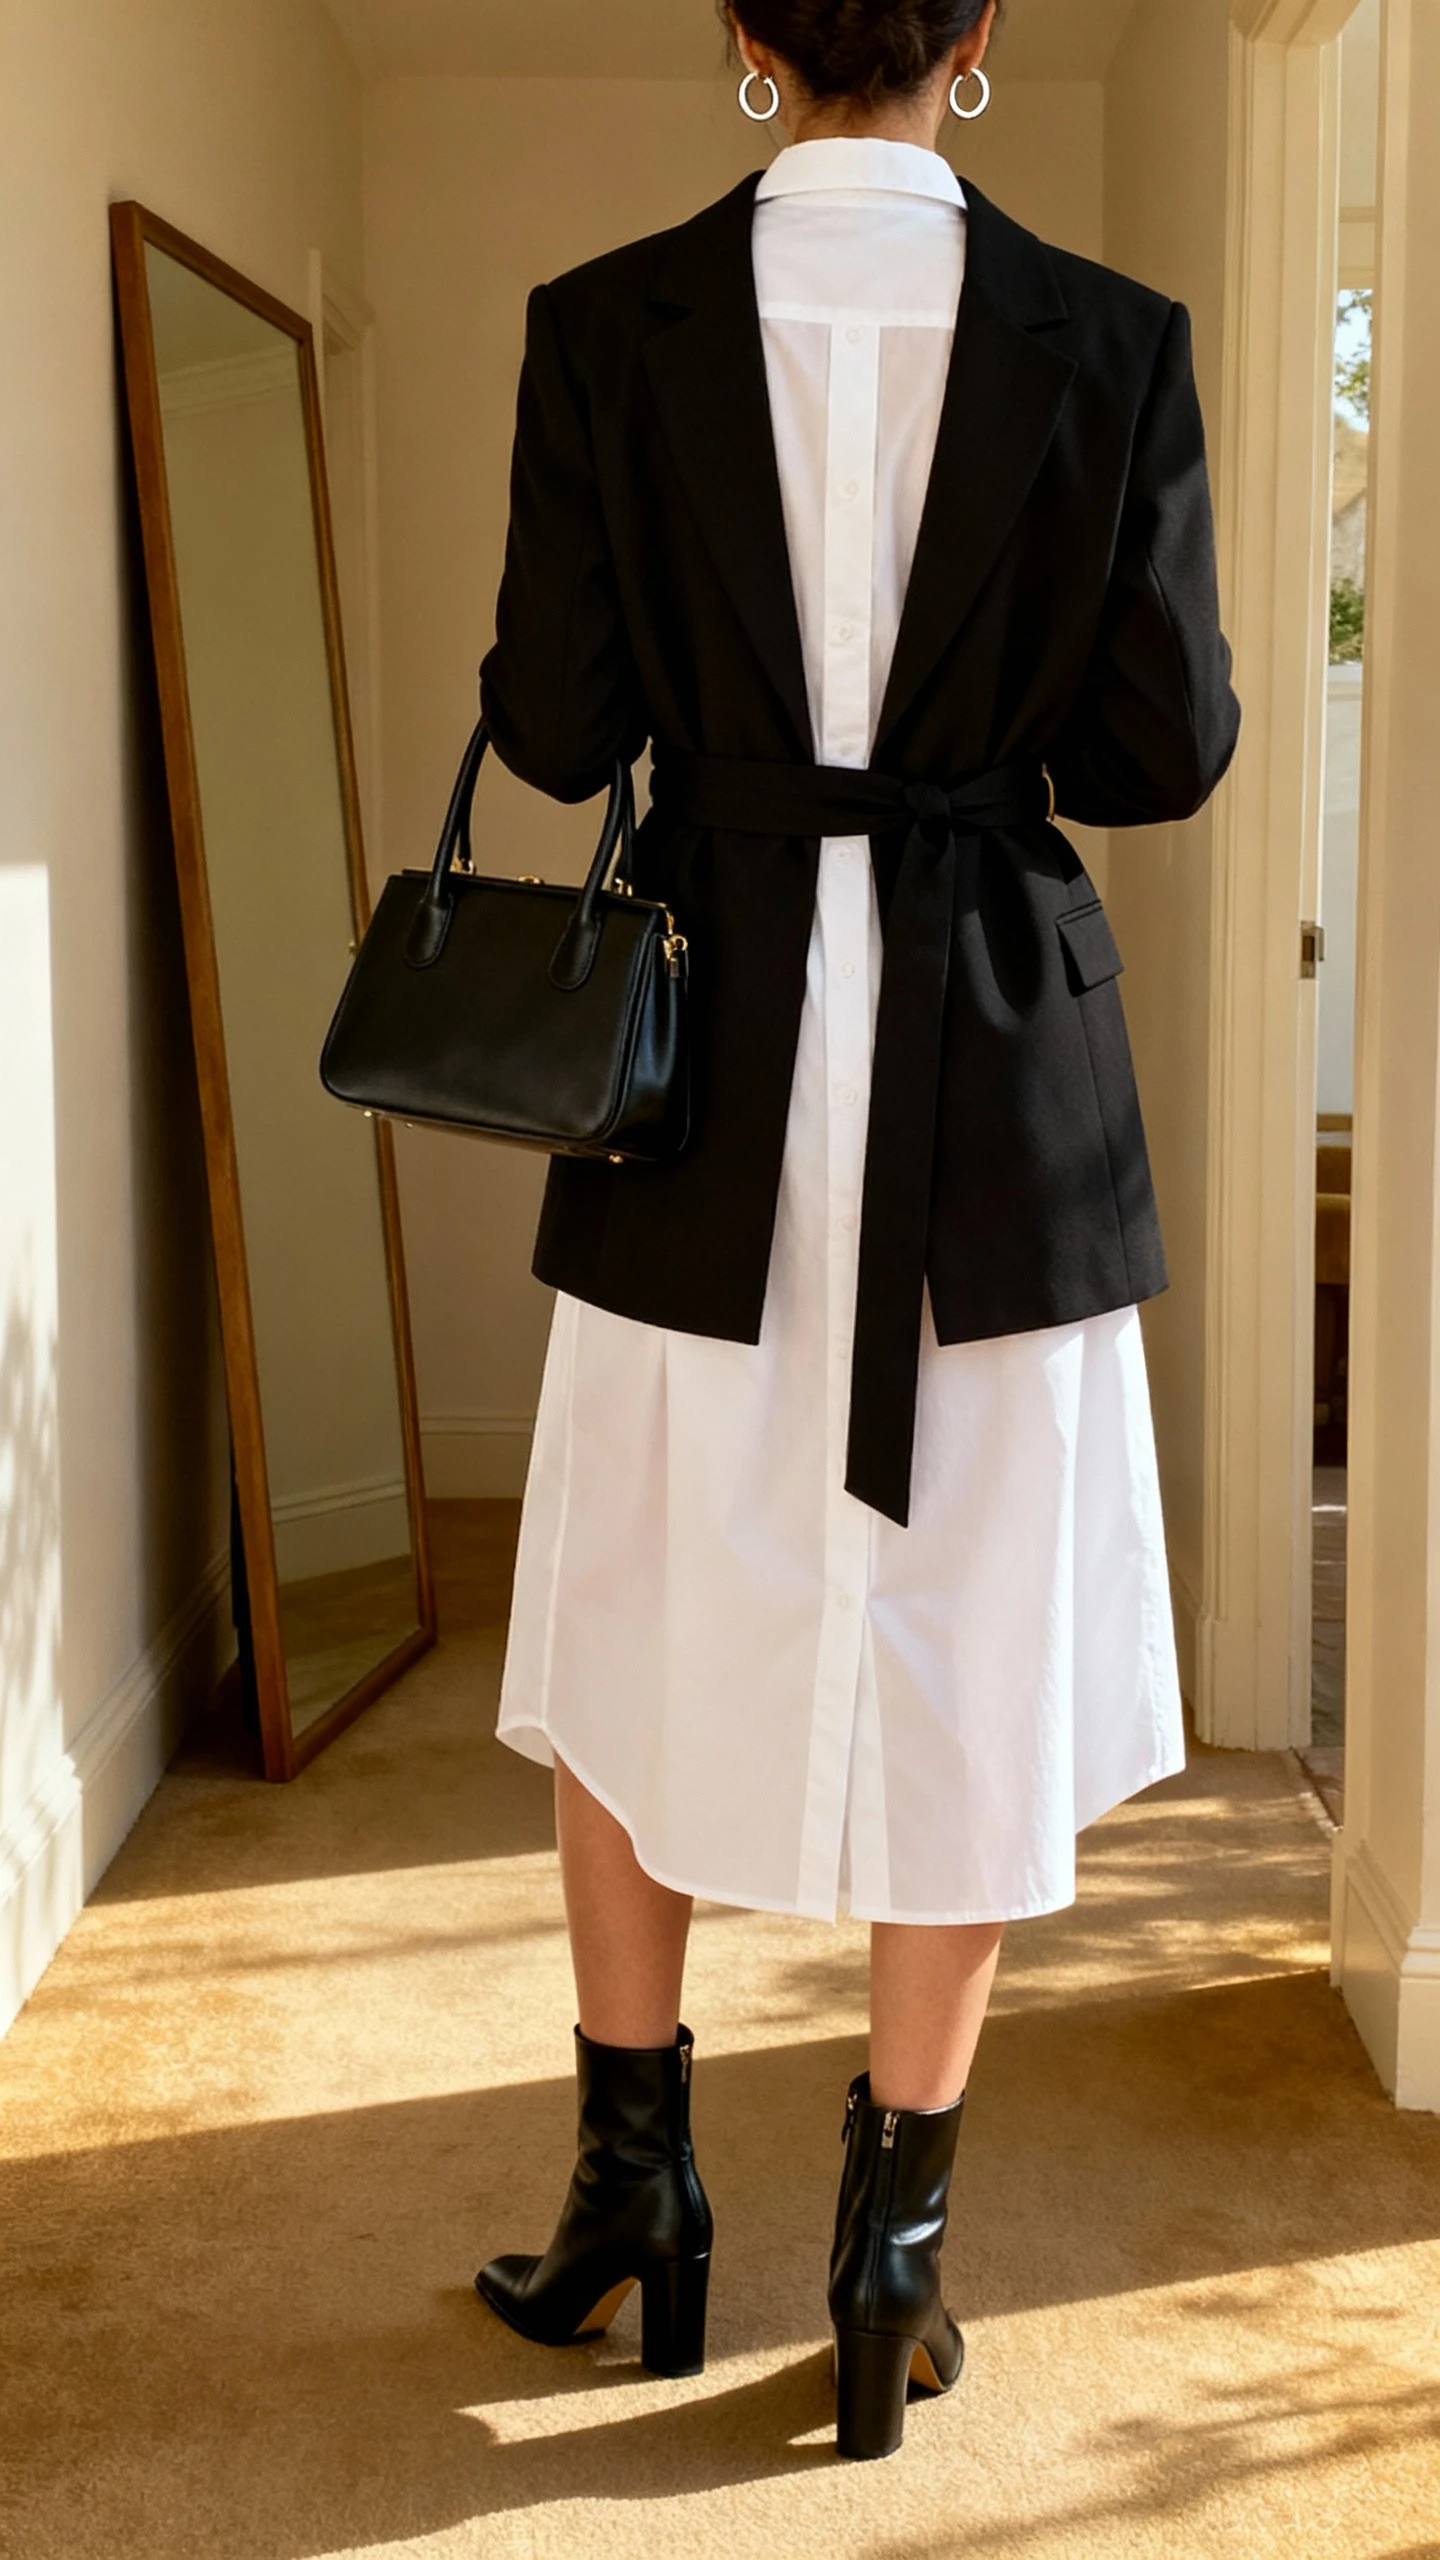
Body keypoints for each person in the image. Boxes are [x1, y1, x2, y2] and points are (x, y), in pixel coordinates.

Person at [473, 0, 1239, 2462]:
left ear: (740, 31)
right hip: (998, 1078)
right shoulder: (1112, 344)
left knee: (623, 1595)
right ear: (979, 34)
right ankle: (890, 2255)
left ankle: (636, 2197)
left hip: (698, 1072)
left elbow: (565, 723)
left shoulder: (605, 329)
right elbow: (1165, 748)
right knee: (970, 1623)